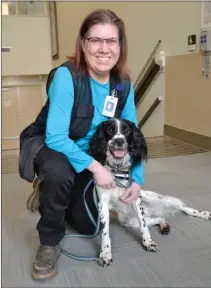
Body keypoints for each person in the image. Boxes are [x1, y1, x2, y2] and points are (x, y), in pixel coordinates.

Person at [24, 8, 145, 280]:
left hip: (92, 150)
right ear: (83, 43)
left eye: (111, 41)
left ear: (120, 45)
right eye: (96, 40)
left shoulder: (123, 83)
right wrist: (96, 168)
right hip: (56, 146)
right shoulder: (67, 76)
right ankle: (48, 242)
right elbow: (56, 137)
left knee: (85, 223)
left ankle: (50, 192)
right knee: (58, 173)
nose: (104, 49)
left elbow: (133, 136)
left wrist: (136, 179)